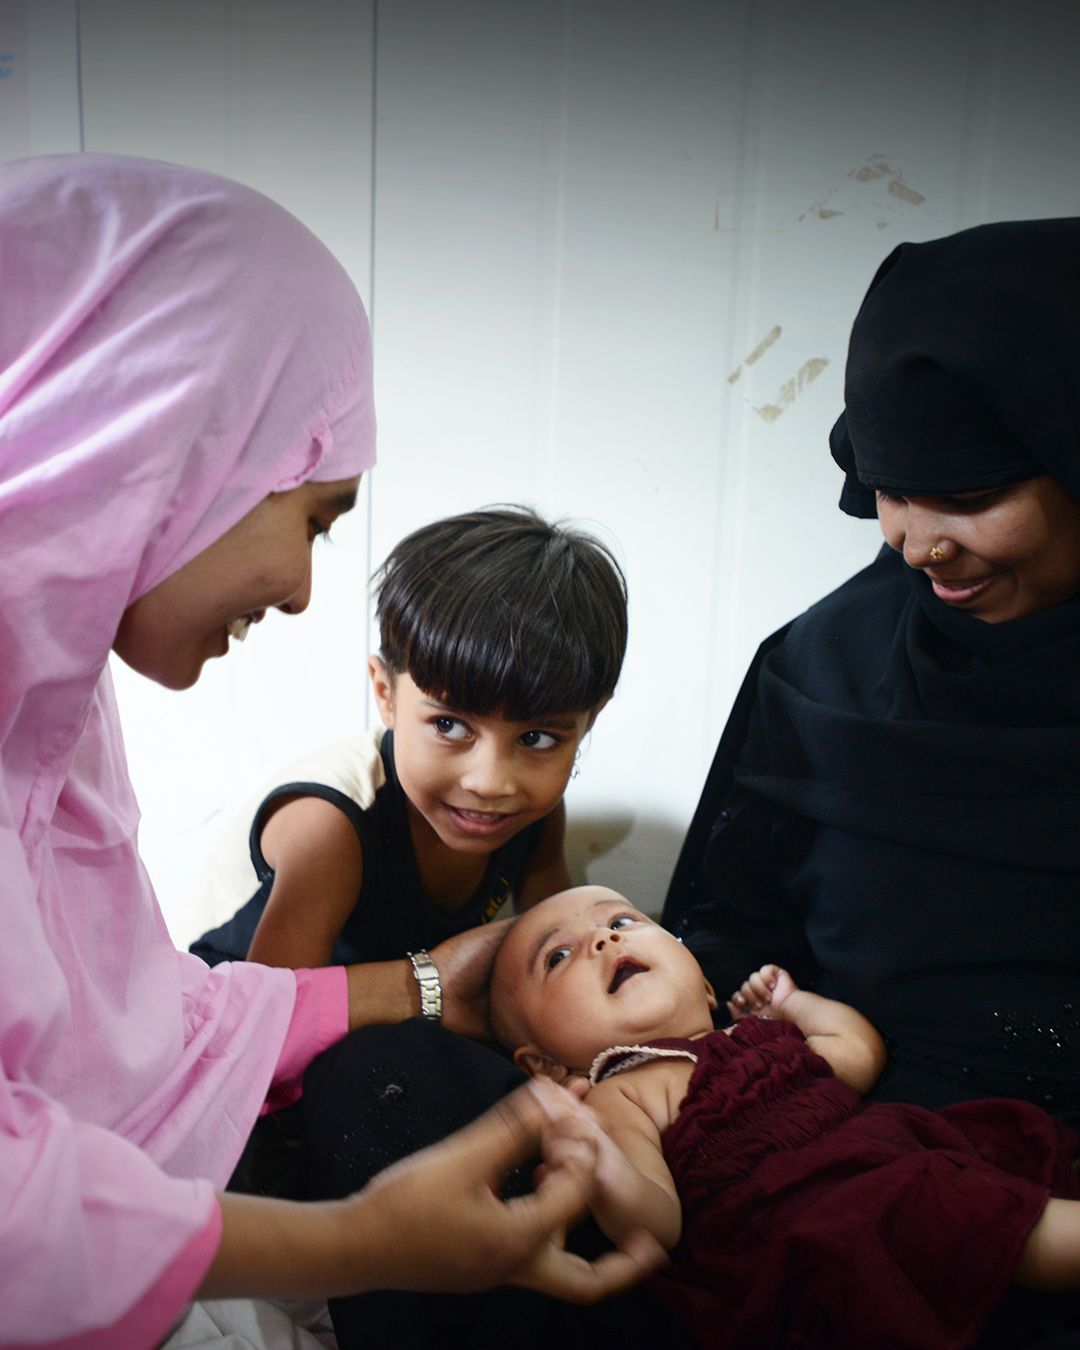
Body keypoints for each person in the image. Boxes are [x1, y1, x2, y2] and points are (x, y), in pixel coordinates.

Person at [0, 153, 658, 1349]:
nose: (304, 591)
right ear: (161, 437)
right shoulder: (325, 827)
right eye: (310, 516)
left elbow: (147, 1033)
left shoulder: (49, 720)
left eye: (543, 739)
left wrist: (465, 991)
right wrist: (371, 1241)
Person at [662, 218, 1080, 1134]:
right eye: (889, 488)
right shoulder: (820, 673)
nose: (919, 544)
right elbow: (719, 938)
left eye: (969, 499)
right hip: (840, 1157)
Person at [490, 885, 1080, 1350]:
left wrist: (791, 1004)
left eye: (621, 921)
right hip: (820, 1227)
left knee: (985, 1188)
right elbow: (655, 1222)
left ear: (699, 977)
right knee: (981, 1219)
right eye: (558, 956)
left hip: (895, 1159)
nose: (602, 940)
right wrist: (594, 1160)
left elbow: (856, 1055)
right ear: (542, 1064)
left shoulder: (757, 1035)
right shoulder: (623, 1094)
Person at [189, 505, 627, 971]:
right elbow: (268, 1017)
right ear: (386, 692)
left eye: (536, 738)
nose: (491, 783)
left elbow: (564, 950)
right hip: (222, 1017)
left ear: (591, 718)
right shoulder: (330, 828)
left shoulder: (531, 816)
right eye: (449, 726)